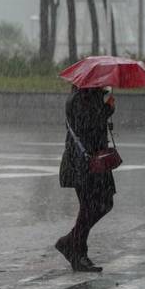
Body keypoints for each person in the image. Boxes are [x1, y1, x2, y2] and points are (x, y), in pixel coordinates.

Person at [56, 86, 116, 272]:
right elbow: (87, 126)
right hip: (83, 161)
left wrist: (104, 110)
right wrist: (107, 110)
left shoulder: (89, 96)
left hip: (94, 160)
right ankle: (78, 252)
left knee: (103, 203)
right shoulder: (80, 98)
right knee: (90, 206)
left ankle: (71, 243)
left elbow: (93, 126)